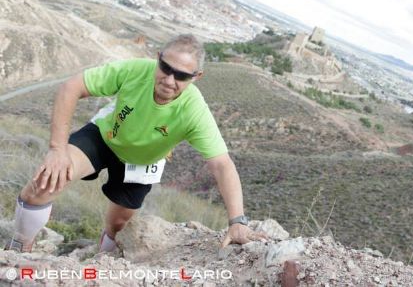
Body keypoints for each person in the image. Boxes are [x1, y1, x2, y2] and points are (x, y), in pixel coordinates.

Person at [5, 34, 267, 253]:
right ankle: (19, 249)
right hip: (105, 137)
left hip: (142, 162)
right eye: (166, 68)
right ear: (158, 58)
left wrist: (237, 221)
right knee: (45, 182)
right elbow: (71, 87)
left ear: (197, 76)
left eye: (181, 76)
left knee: (119, 226)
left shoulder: (194, 110)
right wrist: (57, 150)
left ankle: (100, 264)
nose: (169, 80)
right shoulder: (134, 70)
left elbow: (221, 164)